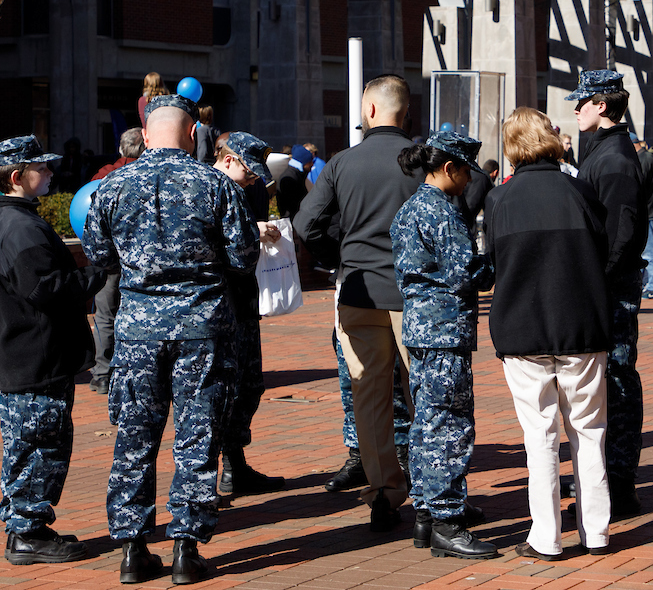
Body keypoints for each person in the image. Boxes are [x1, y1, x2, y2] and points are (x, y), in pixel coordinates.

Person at [84, 95, 260, 584]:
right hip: (201, 328)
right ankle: (186, 547)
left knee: (135, 439)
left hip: (138, 329)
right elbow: (245, 255)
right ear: (190, 133)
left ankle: (133, 550)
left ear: (145, 132)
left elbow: (99, 256)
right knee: (197, 438)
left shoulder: (111, 185)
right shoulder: (213, 184)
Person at [294, 74, 421, 533]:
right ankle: (431, 495)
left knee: (369, 398)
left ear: (368, 111)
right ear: (404, 113)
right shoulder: (423, 163)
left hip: (360, 291)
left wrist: (339, 256)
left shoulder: (342, 163)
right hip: (413, 295)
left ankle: (384, 493)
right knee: (425, 394)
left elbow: (306, 225)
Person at [485, 107, 612, 560]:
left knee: (538, 436)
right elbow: (605, 252)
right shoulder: (580, 191)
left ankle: (547, 536)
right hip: (581, 324)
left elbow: (494, 265)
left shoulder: (500, 199)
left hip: (523, 328)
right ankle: (596, 532)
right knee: (589, 431)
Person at [0, 136, 105, 566]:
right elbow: (46, 289)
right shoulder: (20, 228)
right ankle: (27, 532)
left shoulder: (17, 220)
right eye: (43, 168)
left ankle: (27, 526)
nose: (51, 173)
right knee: (41, 445)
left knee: (30, 445)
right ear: (18, 177)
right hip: (37, 358)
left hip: (31, 356)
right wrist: (97, 273)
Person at [390, 132, 498, 559]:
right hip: (442, 332)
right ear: (449, 168)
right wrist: (499, 257)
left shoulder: (412, 207)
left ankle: (427, 513)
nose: (471, 178)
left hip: (422, 329)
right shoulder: (440, 211)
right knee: (448, 427)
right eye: (467, 169)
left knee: (428, 422)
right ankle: (447, 522)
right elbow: (465, 274)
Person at [569, 70, 648, 516]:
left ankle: (619, 479)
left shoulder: (614, 158)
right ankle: (610, 474)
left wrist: (596, 281)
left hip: (610, 289)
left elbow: (620, 236)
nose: (576, 110)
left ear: (601, 104)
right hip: (603, 285)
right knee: (607, 380)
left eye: (581, 102)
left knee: (616, 381)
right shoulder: (603, 151)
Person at [210, 132, 286, 496]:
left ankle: (235, 465)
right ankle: (213, 475)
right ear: (229, 160)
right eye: (250, 172)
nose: (255, 179)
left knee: (249, 384)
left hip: (242, 304)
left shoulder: (236, 191)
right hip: (219, 308)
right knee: (220, 391)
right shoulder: (206, 190)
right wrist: (252, 232)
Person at [88, 127, 145, 395]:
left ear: (121, 148)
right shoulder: (150, 177)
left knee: (105, 315)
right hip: (140, 259)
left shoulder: (104, 175)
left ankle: (102, 373)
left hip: (108, 259)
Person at [633, 133, 653, 299]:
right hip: (651, 211)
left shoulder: (644, 159)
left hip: (649, 212)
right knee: (647, 250)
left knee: (650, 252)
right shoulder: (646, 157)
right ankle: (649, 284)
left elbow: (639, 186)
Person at [277, 144, 313, 218]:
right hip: (293, 221)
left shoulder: (297, 175)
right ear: (303, 162)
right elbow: (291, 205)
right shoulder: (290, 178)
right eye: (309, 162)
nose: (312, 164)